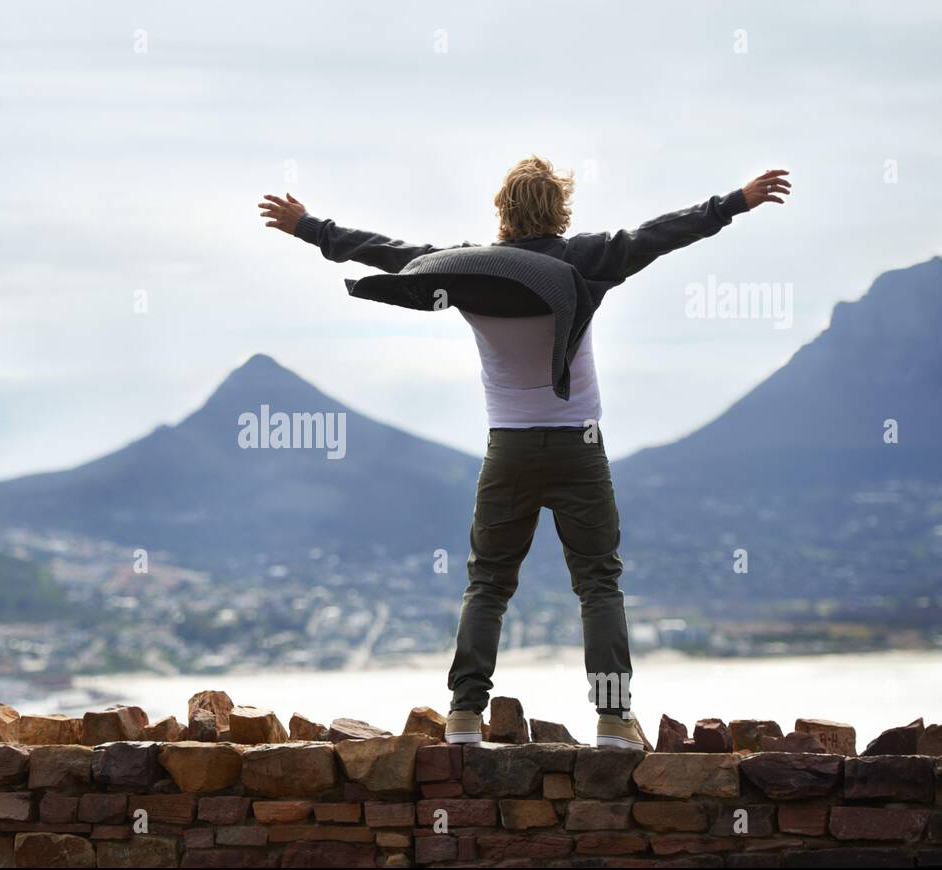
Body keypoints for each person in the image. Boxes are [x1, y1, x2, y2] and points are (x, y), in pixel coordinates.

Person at [260, 158, 790, 748]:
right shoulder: (586, 261)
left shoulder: (466, 268)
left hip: (506, 450)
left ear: (502, 212)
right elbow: (660, 235)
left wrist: (308, 226)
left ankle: (463, 715)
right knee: (598, 584)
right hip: (579, 450)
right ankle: (613, 721)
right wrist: (735, 202)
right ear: (561, 209)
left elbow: (385, 251)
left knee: (487, 583)